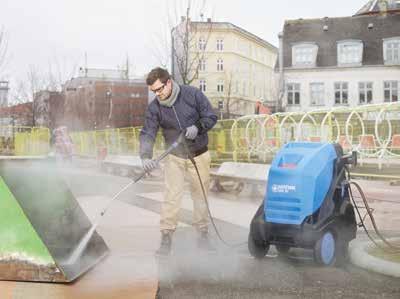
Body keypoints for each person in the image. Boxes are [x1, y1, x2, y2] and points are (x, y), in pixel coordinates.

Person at [140, 67, 217, 255]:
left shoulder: (192, 95)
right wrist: (145, 156)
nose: (157, 94)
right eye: (153, 91)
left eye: (159, 89)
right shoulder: (155, 107)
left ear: (169, 82)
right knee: (171, 196)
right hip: (174, 157)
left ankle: (202, 234)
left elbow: (211, 116)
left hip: (198, 154)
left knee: (200, 196)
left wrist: (198, 127)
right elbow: (148, 132)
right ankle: (166, 237)